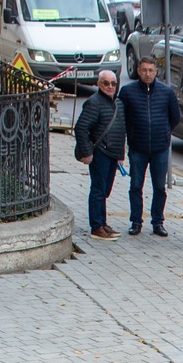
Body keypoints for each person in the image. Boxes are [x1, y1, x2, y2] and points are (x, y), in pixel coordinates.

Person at [117, 55, 180, 237]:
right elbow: (122, 120)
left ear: (156, 71)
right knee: (136, 185)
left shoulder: (166, 92)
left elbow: (175, 117)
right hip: (138, 147)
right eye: (144, 70)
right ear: (138, 71)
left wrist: (164, 131)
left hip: (160, 148)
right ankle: (136, 222)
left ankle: (158, 222)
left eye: (151, 70)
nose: (147, 74)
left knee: (159, 187)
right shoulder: (128, 92)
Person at [72, 69, 127, 240]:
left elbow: (121, 130)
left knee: (105, 190)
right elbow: (81, 128)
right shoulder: (94, 103)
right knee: (98, 190)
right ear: (98, 84)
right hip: (100, 153)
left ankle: (103, 223)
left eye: (113, 83)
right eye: (106, 83)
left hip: (112, 153)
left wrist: (120, 154)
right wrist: (88, 152)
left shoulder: (118, 103)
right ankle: (96, 226)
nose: (110, 87)